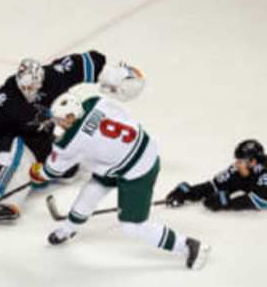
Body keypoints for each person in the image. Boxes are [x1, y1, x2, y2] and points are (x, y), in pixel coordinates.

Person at [0, 50, 146, 222]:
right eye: (26, 88)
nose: (31, 91)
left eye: (35, 86)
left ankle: (101, 165)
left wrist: (113, 74)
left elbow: (87, 62)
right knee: (16, 159)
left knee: (68, 170)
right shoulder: (7, 98)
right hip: (10, 138)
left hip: (39, 137)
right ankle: (4, 202)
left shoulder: (55, 75)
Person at [29, 92, 210, 269]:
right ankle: (67, 230)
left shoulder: (68, 142)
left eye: (60, 120)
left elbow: (52, 171)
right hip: (137, 149)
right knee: (92, 190)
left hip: (139, 170)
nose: (58, 124)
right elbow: (124, 115)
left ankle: (188, 245)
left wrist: (38, 173)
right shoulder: (95, 102)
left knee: (133, 226)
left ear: (70, 117)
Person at [166, 139, 267, 211]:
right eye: (237, 160)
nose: (236, 164)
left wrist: (227, 202)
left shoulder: (264, 174)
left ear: (253, 162)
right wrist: (188, 193)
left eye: (241, 161)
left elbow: (262, 201)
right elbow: (213, 186)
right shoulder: (237, 169)